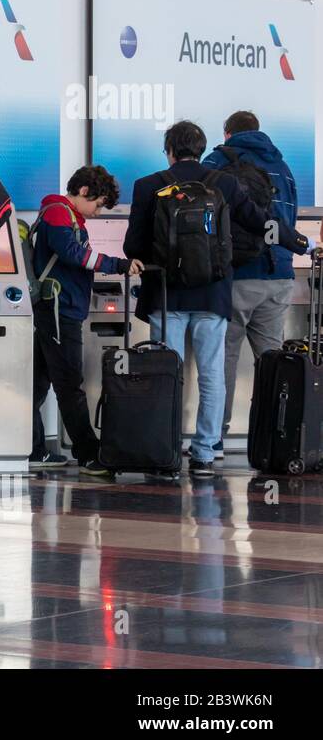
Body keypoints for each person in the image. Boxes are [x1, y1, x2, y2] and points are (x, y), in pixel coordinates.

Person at [123, 120, 312, 479]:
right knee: (212, 373)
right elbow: (261, 222)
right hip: (213, 292)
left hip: (167, 294)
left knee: (169, 373)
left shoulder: (148, 186)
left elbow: (132, 246)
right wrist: (301, 243)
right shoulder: (224, 183)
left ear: (169, 150)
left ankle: (165, 450)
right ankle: (205, 452)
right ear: (201, 147)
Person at [202, 110, 311, 458]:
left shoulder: (218, 160)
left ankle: (215, 439)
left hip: (236, 275)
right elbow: (288, 221)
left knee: (225, 357)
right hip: (278, 274)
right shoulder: (284, 166)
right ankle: (273, 438)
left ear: (228, 132)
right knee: (272, 362)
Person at [27, 165, 143, 473]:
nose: (97, 211)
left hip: (59, 310)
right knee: (69, 384)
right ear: (83, 191)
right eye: (98, 203)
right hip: (58, 311)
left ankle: (34, 449)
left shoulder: (66, 214)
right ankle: (89, 455)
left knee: (37, 383)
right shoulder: (58, 211)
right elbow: (73, 254)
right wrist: (118, 264)